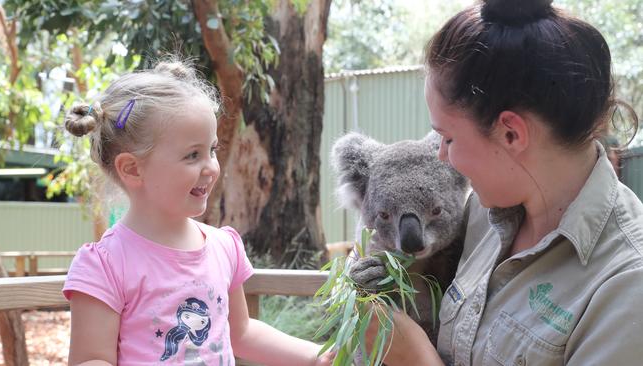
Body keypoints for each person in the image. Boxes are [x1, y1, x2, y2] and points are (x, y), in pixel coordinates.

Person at [366, 0, 643, 365]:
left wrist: (416, 359)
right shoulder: (483, 213)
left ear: (511, 133)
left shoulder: (626, 284)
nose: (442, 157)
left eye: (448, 138)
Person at [62, 59, 334, 366]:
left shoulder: (222, 247)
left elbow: (241, 333)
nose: (211, 167)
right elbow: (91, 359)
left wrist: (317, 355)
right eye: (193, 155)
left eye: (212, 150)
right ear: (132, 169)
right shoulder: (107, 265)